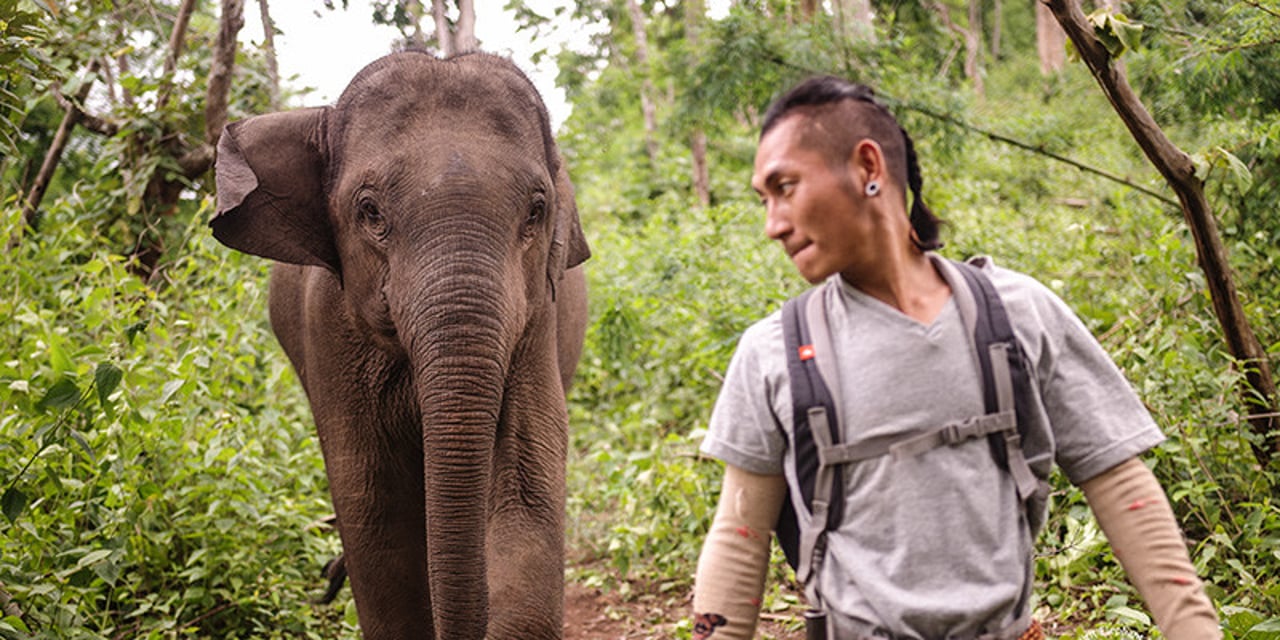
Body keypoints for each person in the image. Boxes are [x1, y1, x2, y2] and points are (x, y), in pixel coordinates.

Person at [690, 76, 1221, 640]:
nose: (773, 224)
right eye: (764, 199)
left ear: (868, 168)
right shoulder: (773, 352)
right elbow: (739, 535)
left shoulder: (1017, 313)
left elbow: (1119, 483)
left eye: (786, 187)